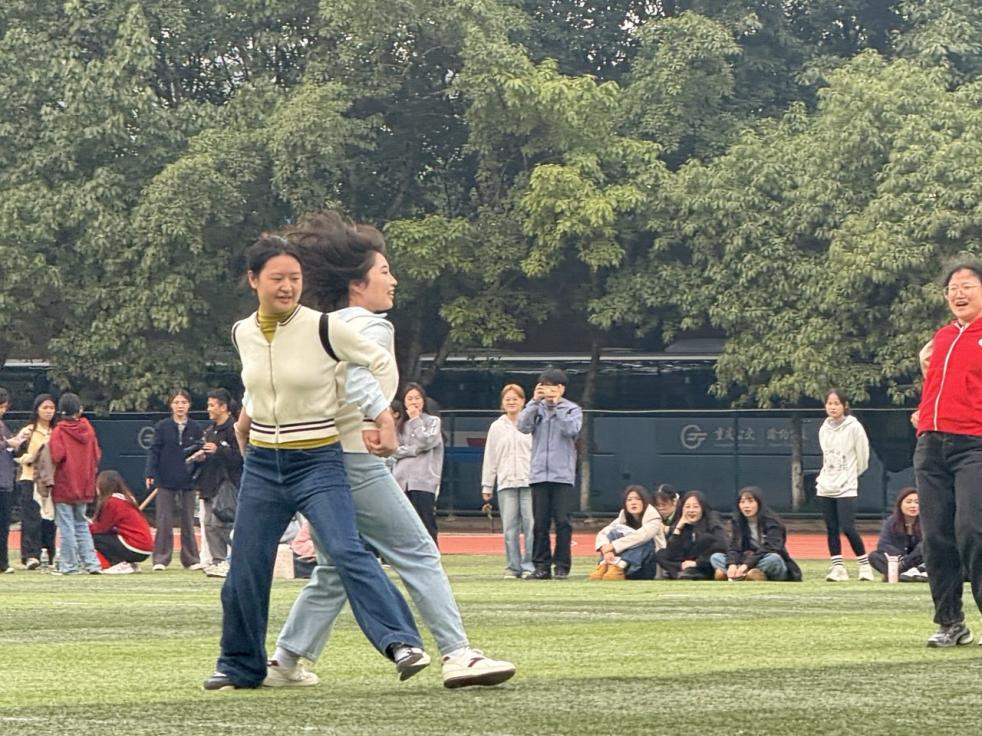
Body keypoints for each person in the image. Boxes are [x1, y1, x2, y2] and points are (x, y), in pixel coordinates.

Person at [271, 211, 514, 691]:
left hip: (313, 459)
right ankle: (458, 654)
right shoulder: (371, 325)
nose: (393, 280)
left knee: (334, 570)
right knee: (418, 551)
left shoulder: (318, 326)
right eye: (384, 271)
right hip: (354, 459)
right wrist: (381, 417)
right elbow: (359, 376)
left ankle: (284, 662)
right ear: (358, 285)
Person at [205, 233, 426, 691]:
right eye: (277, 278)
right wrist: (245, 427)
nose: (288, 286)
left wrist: (376, 416)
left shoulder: (324, 328)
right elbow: (260, 384)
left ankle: (401, 643)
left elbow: (377, 364)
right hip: (263, 464)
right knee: (246, 563)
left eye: (295, 278)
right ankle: (238, 666)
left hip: (318, 461)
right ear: (253, 280)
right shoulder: (243, 332)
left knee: (345, 549)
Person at [913, 258, 982, 647]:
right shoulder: (940, 338)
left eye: (967, 286)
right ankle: (950, 622)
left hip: (975, 444)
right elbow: (935, 381)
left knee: (972, 530)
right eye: (952, 288)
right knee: (936, 536)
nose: (958, 293)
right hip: (931, 445)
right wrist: (924, 414)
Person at [517, 367, 582, 580]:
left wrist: (556, 407)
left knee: (563, 522)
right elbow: (522, 427)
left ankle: (562, 565)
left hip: (562, 475)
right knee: (540, 523)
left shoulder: (572, 409)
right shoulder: (536, 408)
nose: (548, 391)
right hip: (539, 474)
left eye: (552, 387)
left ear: (561, 388)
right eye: (544, 386)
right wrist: (534, 402)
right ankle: (541, 566)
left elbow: (571, 430)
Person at [817, 388, 873, 582]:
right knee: (831, 528)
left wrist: (849, 476)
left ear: (844, 405)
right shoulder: (824, 428)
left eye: (836, 403)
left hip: (846, 486)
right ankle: (838, 568)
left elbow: (863, 457)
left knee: (848, 527)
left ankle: (864, 566)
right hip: (825, 485)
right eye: (829, 403)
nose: (832, 407)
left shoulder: (854, 427)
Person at [145, 389, 203, 571]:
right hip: (166, 477)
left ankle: (191, 559)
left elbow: (200, 452)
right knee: (164, 520)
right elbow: (154, 450)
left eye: (183, 402)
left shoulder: (196, 427)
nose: (180, 406)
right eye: (177, 402)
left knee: (188, 521)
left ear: (189, 405)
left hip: (188, 479)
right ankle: (161, 559)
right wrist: (150, 473)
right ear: (171, 405)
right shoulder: (162, 426)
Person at [481, 384, 534, 579]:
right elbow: (490, 457)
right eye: (508, 399)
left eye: (515, 399)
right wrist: (487, 484)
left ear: (523, 401)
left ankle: (529, 566)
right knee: (510, 528)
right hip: (506, 483)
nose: (511, 402)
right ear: (502, 403)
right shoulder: (496, 427)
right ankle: (513, 567)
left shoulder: (531, 423)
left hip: (530, 482)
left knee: (531, 526)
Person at [187, 388, 241, 578]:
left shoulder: (235, 429)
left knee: (222, 524)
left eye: (212, 405)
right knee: (209, 525)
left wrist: (219, 450)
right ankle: (218, 562)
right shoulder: (210, 431)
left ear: (223, 407)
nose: (208, 409)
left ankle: (239, 557)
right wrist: (200, 457)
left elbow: (240, 457)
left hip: (227, 485)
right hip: (209, 483)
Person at [48, 392, 102, 575]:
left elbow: (57, 456)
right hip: (85, 484)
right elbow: (97, 455)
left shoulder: (59, 431)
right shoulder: (88, 430)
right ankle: (92, 564)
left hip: (64, 485)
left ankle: (69, 565)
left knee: (66, 527)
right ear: (80, 410)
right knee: (81, 524)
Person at [711, 486, 802, 582]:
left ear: (759, 503)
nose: (746, 506)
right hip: (745, 560)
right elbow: (734, 547)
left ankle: (742, 575)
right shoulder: (738, 522)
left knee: (774, 559)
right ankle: (747, 575)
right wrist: (731, 564)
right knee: (716, 557)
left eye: (750, 501)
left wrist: (746, 565)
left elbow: (771, 548)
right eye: (742, 502)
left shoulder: (772, 523)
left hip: (764, 559)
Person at [392, 382, 444, 542]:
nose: (414, 402)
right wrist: (414, 450)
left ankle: (431, 553)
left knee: (426, 522)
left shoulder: (433, 421)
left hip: (424, 481)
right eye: (410, 399)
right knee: (404, 524)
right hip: (401, 480)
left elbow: (427, 441)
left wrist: (416, 420)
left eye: (417, 398)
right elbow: (394, 450)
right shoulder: (400, 425)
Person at [12, 394, 58, 569]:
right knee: (31, 518)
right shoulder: (28, 431)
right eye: (45, 407)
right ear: (37, 409)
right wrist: (30, 457)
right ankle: (31, 555)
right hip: (30, 478)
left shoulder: (57, 431)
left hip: (50, 480)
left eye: (51, 408)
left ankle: (49, 554)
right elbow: (16, 454)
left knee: (49, 519)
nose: (48, 411)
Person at [588, 485, 664, 581]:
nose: (633, 502)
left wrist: (614, 546)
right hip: (627, 566)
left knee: (645, 541)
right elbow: (604, 532)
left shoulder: (653, 517)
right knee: (614, 532)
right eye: (629, 500)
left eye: (638, 499)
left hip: (648, 566)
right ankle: (604, 565)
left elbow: (642, 536)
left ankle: (619, 566)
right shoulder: (623, 515)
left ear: (644, 501)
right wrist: (607, 550)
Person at [89, 470, 153, 574]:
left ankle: (117, 563)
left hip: (134, 545)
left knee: (94, 538)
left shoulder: (112, 502)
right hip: (145, 547)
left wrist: (86, 527)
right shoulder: (126, 498)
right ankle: (130, 564)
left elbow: (102, 528)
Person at [655, 491, 727, 580]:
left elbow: (722, 546)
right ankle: (683, 572)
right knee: (661, 554)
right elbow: (671, 553)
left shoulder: (712, 519)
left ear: (702, 508)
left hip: (704, 562)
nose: (691, 510)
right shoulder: (681, 522)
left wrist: (697, 563)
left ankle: (691, 572)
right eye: (687, 507)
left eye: (695, 507)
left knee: (706, 539)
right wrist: (679, 527)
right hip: (685, 562)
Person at [869, 487, 926, 583]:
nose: (913, 506)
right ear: (900, 504)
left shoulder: (928, 523)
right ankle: (905, 574)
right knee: (874, 556)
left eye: (917, 502)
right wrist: (898, 558)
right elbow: (884, 545)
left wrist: (905, 562)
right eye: (908, 502)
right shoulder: (891, 522)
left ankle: (900, 573)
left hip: (918, 561)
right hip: (898, 560)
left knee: (926, 547)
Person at [0, 387, 26, 573]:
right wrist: (7, 443)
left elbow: (12, 448)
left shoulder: (3, 426)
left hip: (5, 481)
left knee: (4, 526)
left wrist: (19, 442)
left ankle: (3, 562)